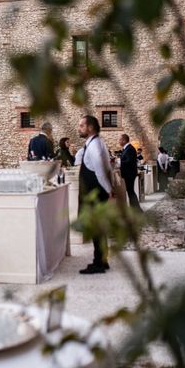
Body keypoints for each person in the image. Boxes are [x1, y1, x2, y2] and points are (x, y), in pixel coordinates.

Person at [77, 115, 113, 274]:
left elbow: (100, 171)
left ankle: (98, 263)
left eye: (81, 125)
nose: (79, 128)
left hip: (95, 193)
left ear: (90, 127)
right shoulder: (97, 143)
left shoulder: (93, 147)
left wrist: (108, 190)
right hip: (97, 192)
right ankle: (102, 260)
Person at [119, 134, 143, 212]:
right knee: (130, 191)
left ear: (124, 140)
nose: (119, 141)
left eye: (120, 140)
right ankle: (135, 209)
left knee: (131, 191)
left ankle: (137, 210)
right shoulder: (127, 148)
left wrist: (120, 162)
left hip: (129, 174)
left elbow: (129, 161)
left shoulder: (129, 149)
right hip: (128, 173)